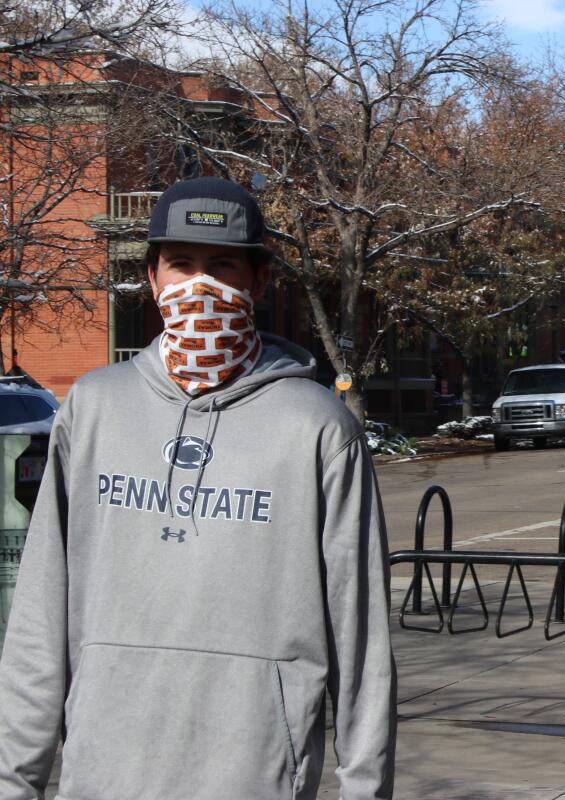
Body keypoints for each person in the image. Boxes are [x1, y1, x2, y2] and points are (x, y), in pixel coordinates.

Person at [0, 177, 397, 799]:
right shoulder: (95, 409)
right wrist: (14, 780)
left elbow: (361, 634)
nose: (199, 287)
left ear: (258, 282)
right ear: (152, 277)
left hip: (255, 772)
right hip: (104, 771)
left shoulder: (316, 427)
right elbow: (40, 612)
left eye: (222, 267)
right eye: (180, 265)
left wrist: (364, 787)